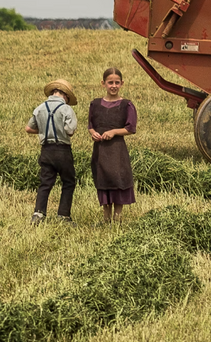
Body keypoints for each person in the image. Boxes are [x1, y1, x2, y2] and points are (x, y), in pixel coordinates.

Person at [26, 79, 78, 224]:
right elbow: (70, 131)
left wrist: (44, 130)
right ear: (66, 95)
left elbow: (29, 128)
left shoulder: (40, 108)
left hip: (46, 150)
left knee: (45, 182)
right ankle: (63, 215)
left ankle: (39, 214)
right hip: (62, 150)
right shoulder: (67, 109)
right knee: (68, 182)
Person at [88, 66, 137, 223]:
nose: (113, 86)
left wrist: (114, 132)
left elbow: (131, 128)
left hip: (117, 151)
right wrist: (92, 133)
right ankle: (106, 217)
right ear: (103, 83)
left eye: (117, 82)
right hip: (100, 150)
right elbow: (90, 125)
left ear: (122, 83)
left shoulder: (126, 105)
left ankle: (117, 218)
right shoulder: (95, 104)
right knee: (103, 180)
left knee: (118, 180)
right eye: (110, 83)